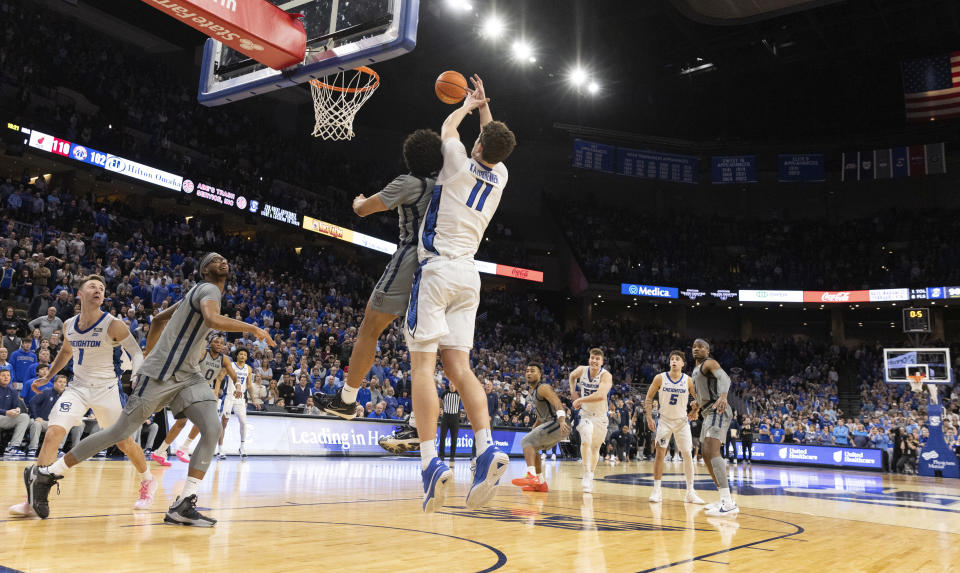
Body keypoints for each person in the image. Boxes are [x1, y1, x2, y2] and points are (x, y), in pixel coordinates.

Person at [22, 254, 274, 526]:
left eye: (223, 259)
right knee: (119, 433)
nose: (221, 261)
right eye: (214, 259)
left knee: (212, 429)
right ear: (204, 270)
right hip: (160, 375)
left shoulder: (194, 293)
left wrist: (148, 350)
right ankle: (48, 474)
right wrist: (252, 328)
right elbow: (212, 320)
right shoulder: (208, 289)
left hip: (189, 375)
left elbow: (157, 320)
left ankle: (184, 503)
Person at [404, 74, 516, 513]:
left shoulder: (455, 158)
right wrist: (485, 108)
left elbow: (448, 131)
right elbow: (493, 143)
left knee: (422, 367)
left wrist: (467, 106)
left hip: (437, 270)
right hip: (470, 277)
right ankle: (485, 447)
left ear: (478, 146)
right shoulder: (501, 175)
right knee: (460, 368)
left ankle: (430, 461)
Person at [312, 128, 444, 454]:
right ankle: (417, 424)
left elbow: (363, 209)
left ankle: (346, 400)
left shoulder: (408, 183)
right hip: (438, 267)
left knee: (369, 329)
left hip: (409, 258)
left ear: (409, 158)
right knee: (423, 348)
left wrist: (358, 200)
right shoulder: (446, 185)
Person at [13, 275, 156, 519]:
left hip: (107, 389)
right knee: (53, 433)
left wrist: (136, 376)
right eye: (92, 286)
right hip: (77, 387)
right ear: (80, 293)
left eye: (101, 287)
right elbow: (67, 351)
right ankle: (34, 498)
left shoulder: (113, 324)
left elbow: (135, 351)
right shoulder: (69, 324)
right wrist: (48, 378)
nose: (98, 290)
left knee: (124, 443)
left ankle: (147, 480)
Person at [152, 335, 237, 466]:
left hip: (203, 390)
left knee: (202, 420)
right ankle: (168, 450)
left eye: (221, 343)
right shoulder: (202, 353)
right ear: (210, 343)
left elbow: (233, 375)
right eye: (216, 342)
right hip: (189, 386)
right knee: (182, 422)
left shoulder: (224, 360)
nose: (219, 344)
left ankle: (168, 450)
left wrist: (237, 386)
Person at [644, 350, 705, 504]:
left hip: (681, 422)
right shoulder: (660, 378)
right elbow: (649, 397)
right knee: (660, 454)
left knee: (687, 455)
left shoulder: (689, 380)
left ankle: (690, 492)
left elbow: (699, 400)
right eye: (672, 359)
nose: (674, 361)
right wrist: (649, 417)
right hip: (664, 420)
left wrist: (695, 409)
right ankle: (656, 490)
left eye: (677, 359)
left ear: (683, 363)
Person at [691, 338, 739, 517]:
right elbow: (704, 392)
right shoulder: (696, 370)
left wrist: (724, 395)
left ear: (707, 351)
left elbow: (724, 378)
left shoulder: (709, 363)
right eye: (694, 347)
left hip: (717, 408)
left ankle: (728, 503)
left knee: (712, 450)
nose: (696, 349)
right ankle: (723, 498)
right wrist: (697, 404)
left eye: (700, 347)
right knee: (705, 454)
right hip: (707, 412)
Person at [511, 364, 569, 492]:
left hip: (558, 423)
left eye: (532, 371)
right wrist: (535, 426)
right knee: (533, 447)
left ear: (540, 375)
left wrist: (562, 420)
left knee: (526, 441)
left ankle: (531, 475)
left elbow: (557, 402)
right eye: (526, 371)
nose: (529, 373)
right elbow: (541, 413)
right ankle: (540, 483)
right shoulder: (531, 393)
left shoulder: (543, 388)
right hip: (550, 423)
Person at [570, 348, 613, 493]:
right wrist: (573, 391)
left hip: (601, 416)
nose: (594, 361)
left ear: (602, 362)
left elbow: (601, 395)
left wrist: (580, 399)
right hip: (586, 414)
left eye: (597, 359)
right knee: (585, 439)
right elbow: (571, 376)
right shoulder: (582, 370)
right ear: (589, 359)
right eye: (592, 358)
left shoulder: (606, 376)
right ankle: (586, 472)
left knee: (595, 448)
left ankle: (591, 473)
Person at [217, 348, 254, 459]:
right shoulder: (230, 366)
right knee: (224, 422)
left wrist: (253, 398)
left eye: (245, 354)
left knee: (243, 422)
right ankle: (220, 449)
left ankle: (242, 447)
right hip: (228, 396)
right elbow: (219, 378)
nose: (243, 356)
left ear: (247, 357)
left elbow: (249, 385)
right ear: (237, 356)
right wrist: (217, 390)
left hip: (240, 398)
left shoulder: (248, 368)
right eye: (241, 354)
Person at [0, 369, 30, 456]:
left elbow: (16, 405)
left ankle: (13, 447)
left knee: (24, 417)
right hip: (3, 415)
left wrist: (17, 410)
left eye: (8, 375)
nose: (6, 377)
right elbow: (7, 412)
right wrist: (6, 412)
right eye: (3, 375)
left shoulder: (12, 390)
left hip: (6, 418)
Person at [438, 379, 462, 463]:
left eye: (453, 384)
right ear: (449, 385)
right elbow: (440, 400)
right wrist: (443, 408)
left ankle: (452, 456)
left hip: (455, 418)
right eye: (450, 384)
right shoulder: (445, 393)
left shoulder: (459, 393)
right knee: (442, 437)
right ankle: (441, 455)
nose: (452, 385)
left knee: (454, 438)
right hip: (446, 417)